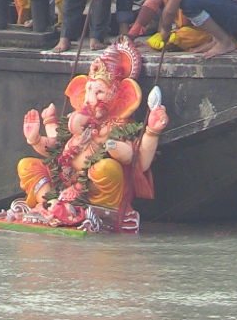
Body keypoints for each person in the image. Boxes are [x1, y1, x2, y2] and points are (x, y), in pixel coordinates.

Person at [16, 40, 168, 228]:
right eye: (88, 90)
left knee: (107, 169)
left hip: (94, 189)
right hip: (64, 180)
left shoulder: (119, 125)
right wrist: (35, 140)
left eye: (100, 92)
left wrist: (152, 131)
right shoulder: (80, 118)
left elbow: (140, 162)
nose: (91, 99)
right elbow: (56, 149)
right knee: (26, 165)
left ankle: (86, 209)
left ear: (117, 95)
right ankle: (50, 202)